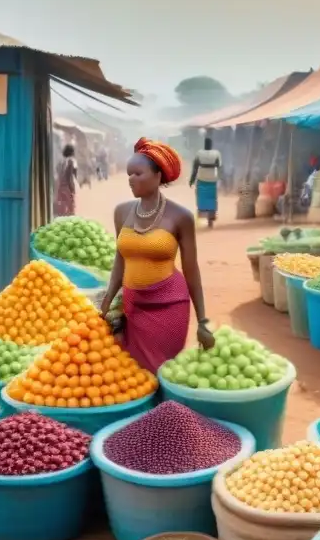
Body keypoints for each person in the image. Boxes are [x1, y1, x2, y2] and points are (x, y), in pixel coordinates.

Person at [101, 138, 214, 373]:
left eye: (138, 174)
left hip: (168, 306)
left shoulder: (180, 216)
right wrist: (107, 301)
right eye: (129, 174)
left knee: (160, 374)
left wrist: (203, 321)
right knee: (132, 377)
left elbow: (191, 270)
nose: (131, 179)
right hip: (133, 307)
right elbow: (120, 260)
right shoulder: (122, 212)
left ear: (158, 176)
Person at [189, 136, 222, 227]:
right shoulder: (216, 153)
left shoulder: (199, 153)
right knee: (212, 198)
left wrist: (192, 179)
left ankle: (205, 215)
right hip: (213, 179)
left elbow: (195, 167)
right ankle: (211, 217)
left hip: (202, 178)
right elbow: (219, 166)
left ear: (205, 144)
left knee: (202, 198)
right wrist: (222, 179)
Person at [53, 145, 79, 217]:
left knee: (62, 206)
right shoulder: (72, 161)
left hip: (60, 186)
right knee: (71, 207)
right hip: (67, 187)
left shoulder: (60, 161)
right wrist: (72, 188)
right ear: (72, 152)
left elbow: (57, 173)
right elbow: (71, 176)